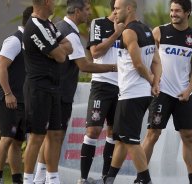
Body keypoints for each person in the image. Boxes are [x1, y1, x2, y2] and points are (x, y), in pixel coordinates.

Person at [32, 0, 119, 184]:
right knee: (55, 137)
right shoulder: (70, 33)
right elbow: (85, 65)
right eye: (86, 10)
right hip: (61, 92)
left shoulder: (57, 27)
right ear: (77, 12)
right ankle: (49, 178)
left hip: (53, 89)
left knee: (50, 137)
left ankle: (40, 178)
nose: (89, 13)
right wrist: (114, 67)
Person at [141, 0, 192, 184]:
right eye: (171, 10)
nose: (173, 14)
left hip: (183, 95)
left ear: (187, 12)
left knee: (189, 137)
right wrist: (153, 81)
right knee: (153, 134)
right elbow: (147, 58)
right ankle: (141, 177)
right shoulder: (159, 31)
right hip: (161, 92)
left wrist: (189, 90)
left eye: (177, 11)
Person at [103, 0, 162, 184]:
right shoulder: (146, 30)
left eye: (117, 8)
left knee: (131, 141)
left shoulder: (129, 32)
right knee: (121, 138)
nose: (114, 11)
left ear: (129, 9)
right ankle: (109, 179)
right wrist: (155, 82)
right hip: (138, 93)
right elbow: (157, 62)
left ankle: (145, 180)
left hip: (132, 94)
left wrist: (153, 81)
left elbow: (138, 64)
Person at [22, 0, 73, 184]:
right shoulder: (35, 25)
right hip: (38, 89)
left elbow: (69, 46)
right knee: (36, 136)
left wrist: (59, 49)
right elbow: (60, 56)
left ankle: (52, 179)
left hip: (53, 87)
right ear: (45, 2)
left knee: (55, 134)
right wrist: (59, 50)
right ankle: (28, 180)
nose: (55, 3)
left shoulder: (49, 24)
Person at [77, 0, 126, 183]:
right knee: (93, 130)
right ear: (114, 8)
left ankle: (106, 179)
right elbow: (95, 53)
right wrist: (116, 34)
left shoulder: (131, 29)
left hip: (123, 87)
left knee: (114, 133)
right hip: (101, 84)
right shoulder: (98, 23)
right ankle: (82, 178)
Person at [0, 6, 33, 184]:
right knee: (7, 138)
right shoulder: (15, 40)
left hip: (22, 100)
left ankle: (17, 180)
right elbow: (1, 67)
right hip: (6, 98)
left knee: (17, 142)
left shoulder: (31, 42)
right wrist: (8, 93)